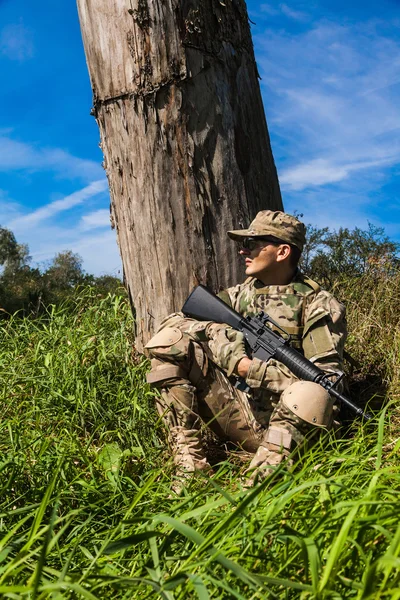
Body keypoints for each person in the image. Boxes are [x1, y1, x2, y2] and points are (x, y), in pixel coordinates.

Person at [145, 211, 347, 488]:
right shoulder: (237, 295)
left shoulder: (317, 304)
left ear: (282, 251)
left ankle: (254, 489)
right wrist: (218, 334)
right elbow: (172, 324)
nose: (243, 250)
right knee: (171, 341)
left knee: (312, 392)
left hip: (292, 424)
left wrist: (248, 369)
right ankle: (191, 469)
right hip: (239, 411)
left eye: (253, 244)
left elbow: (329, 383)